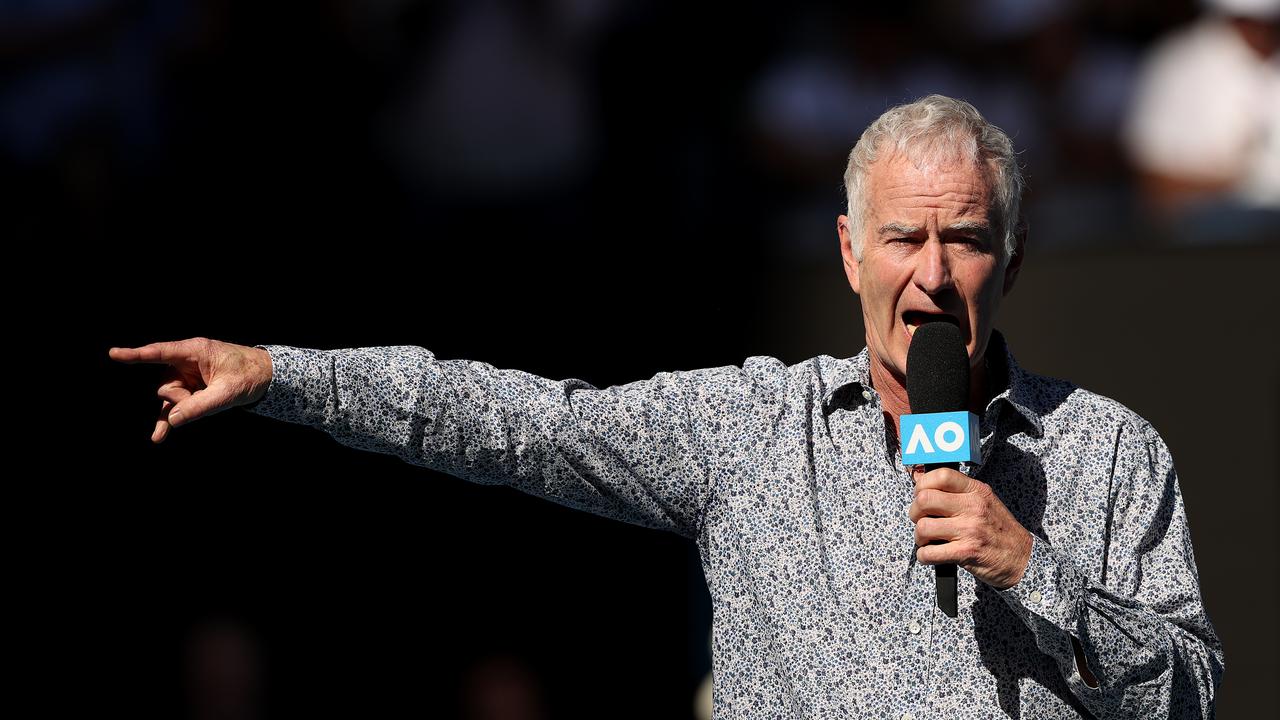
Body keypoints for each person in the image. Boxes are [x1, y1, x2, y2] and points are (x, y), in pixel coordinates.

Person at [110, 94, 1223, 718]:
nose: (931, 272)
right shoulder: (747, 428)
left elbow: (1189, 697)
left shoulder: (1107, 449)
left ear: (1010, 261)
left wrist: (1034, 571)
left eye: (965, 239)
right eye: (902, 237)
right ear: (848, 253)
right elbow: (515, 422)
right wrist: (284, 375)